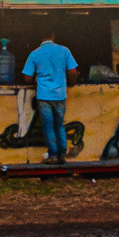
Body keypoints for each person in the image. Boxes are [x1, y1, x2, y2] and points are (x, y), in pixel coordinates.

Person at [22, 33, 79, 163]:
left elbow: (27, 77)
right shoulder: (64, 50)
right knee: (59, 124)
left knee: (48, 125)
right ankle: (63, 154)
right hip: (60, 94)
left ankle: (53, 155)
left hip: (43, 95)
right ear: (53, 36)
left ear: (40, 37)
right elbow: (73, 71)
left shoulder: (35, 53)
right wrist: (71, 83)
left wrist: (35, 82)